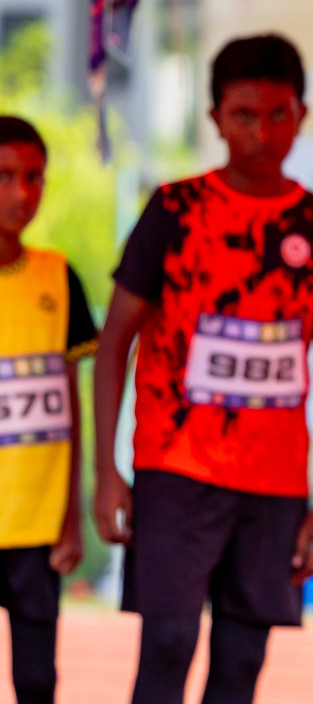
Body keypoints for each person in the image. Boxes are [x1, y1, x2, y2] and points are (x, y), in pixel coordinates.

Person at [93, 36, 313, 704]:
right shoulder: (174, 211)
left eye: (277, 114)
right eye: (244, 114)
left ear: (301, 115)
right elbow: (113, 342)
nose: (261, 132)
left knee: (241, 663)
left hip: (273, 485)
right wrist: (107, 471)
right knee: (167, 647)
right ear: (215, 118)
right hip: (174, 471)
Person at [0, 117, 97, 704]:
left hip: (38, 527)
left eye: (34, 177)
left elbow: (68, 408)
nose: (21, 193)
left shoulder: (58, 277)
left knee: (37, 682)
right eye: (5, 176)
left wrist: (70, 516)